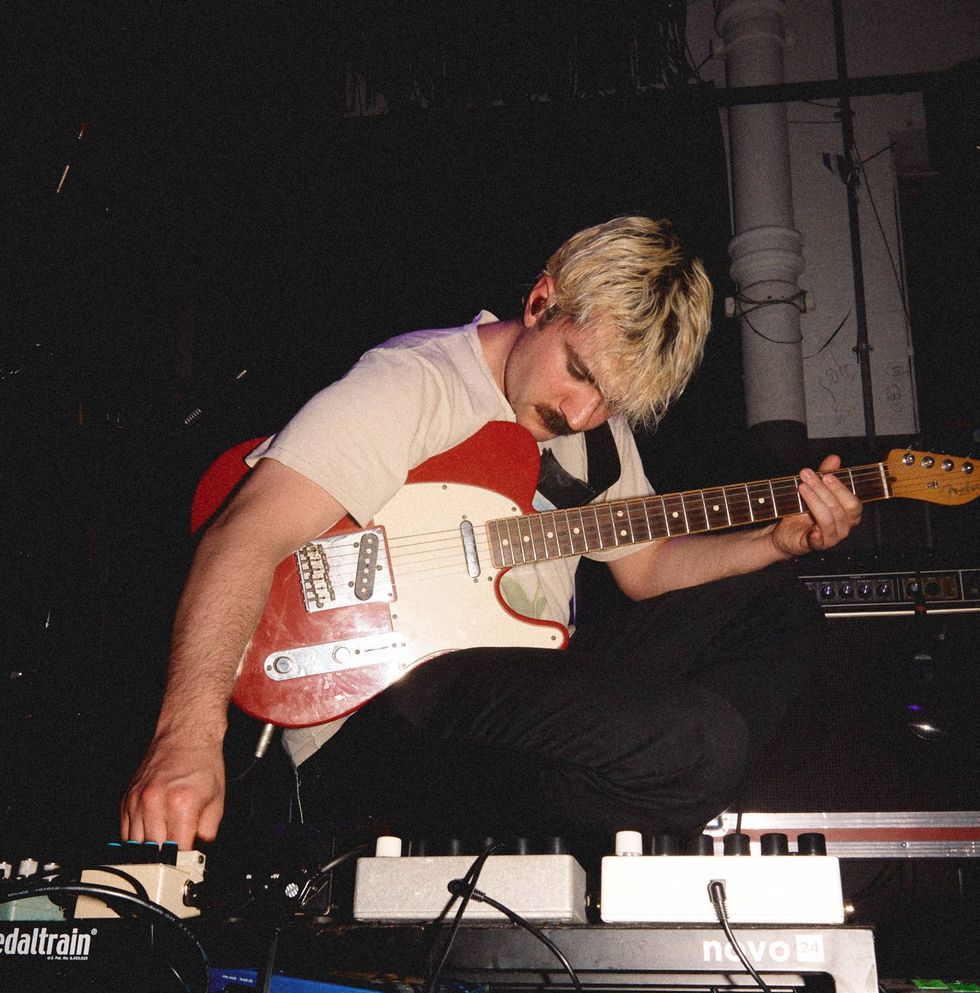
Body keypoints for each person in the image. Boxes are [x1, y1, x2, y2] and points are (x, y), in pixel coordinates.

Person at [121, 216, 861, 853]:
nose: (580, 412)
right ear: (541, 300)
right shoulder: (416, 383)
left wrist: (778, 541)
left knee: (781, 608)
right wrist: (185, 738)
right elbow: (241, 536)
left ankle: (621, 804)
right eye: (578, 372)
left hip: (518, 684)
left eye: (612, 398)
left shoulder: (599, 430)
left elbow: (645, 567)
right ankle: (610, 809)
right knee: (698, 743)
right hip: (389, 703)